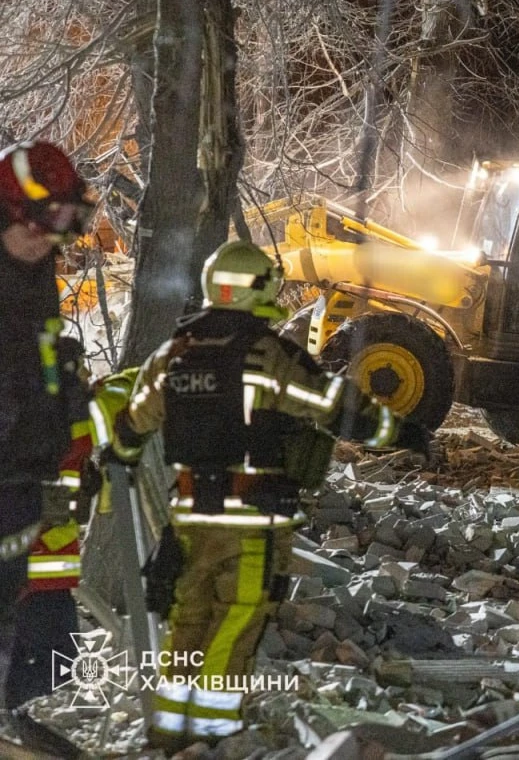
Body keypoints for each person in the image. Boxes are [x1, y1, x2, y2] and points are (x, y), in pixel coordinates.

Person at [111, 239, 406, 751]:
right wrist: (401, 431)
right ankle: (212, 734)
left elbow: (131, 428)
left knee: (189, 620)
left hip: (188, 519)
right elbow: (331, 406)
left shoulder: (171, 356)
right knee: (238, 618)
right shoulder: (266, 355)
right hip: (250, 522)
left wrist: (116, 458)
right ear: (258, 290)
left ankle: (168, 731)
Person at [0, 141, 92, 709]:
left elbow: (41, 374)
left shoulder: (31, 274)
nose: (50, 239)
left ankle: (26, 719)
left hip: (28, 479)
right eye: (42, 222)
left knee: (39, 620)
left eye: (65, 222)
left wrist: (66, 445)